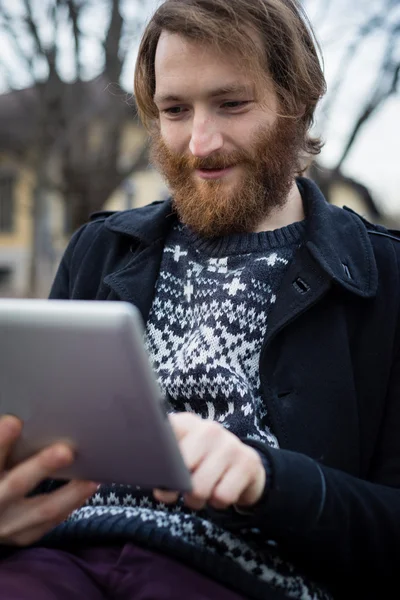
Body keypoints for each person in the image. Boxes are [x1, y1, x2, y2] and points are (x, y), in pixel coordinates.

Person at [0, 0, 399, 598]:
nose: (200, 144)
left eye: (232, 104)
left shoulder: (385, 276)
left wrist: (267, 478)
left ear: (300, 101)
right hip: (59, 561)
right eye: (175, 111)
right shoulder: (98, 249)